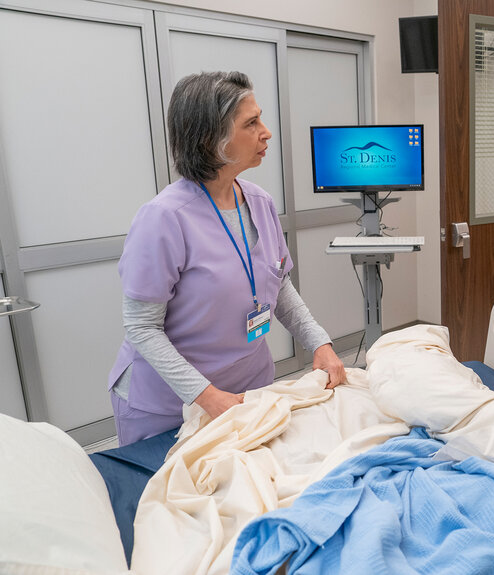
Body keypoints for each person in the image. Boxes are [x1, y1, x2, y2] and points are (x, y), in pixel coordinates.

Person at [108, 71, 346, 446]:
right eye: (251, 123)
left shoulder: (259, 202)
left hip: (247, 388)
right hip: (170, 403)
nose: (266, 132)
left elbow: (278, 284)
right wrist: (206, 396)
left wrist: (320, 343)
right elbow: (142, 327)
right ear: (210, 139)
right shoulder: (165, 217)